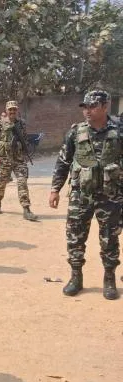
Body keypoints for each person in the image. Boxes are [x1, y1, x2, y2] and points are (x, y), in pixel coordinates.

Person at [49, 90, 122, 300]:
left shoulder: (119, 131)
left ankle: (109, 278)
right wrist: (55, 189)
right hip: (81, 195)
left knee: (110, 238)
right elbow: (63, 161)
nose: (87, 111)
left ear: (105, 107)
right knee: (75, 236)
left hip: (110, 196)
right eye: (85, 107)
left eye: (92, 107)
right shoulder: (75, 132)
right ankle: (76, 277)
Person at [0, 101, 38, 221]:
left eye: (14, 109)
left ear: (17, 110)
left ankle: (26, 209)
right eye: (10, 109)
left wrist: (23, 149)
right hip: (4, 158)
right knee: (1, 182)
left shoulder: (21, 123)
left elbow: (24, 138)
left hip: (18, 158)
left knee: (22, 181)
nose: (12, 111)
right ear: (6, 110)